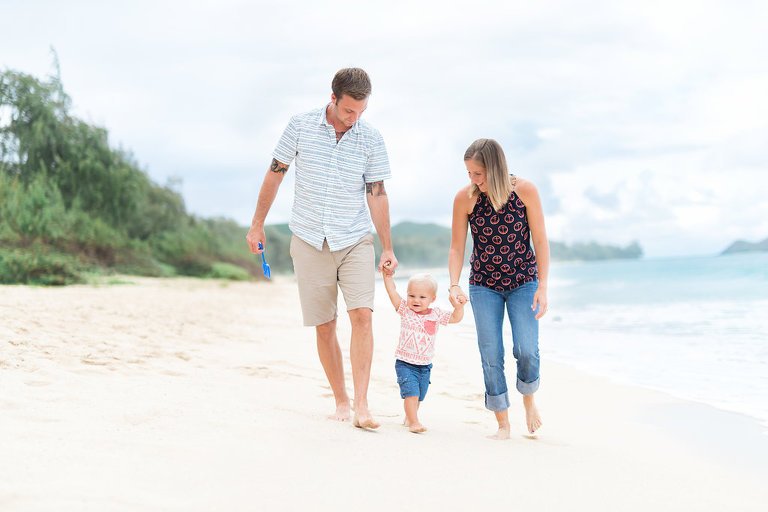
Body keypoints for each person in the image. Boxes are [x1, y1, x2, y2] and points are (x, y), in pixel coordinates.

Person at [246, 68, 397, 430]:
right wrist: (257, 224)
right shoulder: (299, 126)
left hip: (354, 238)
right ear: (333, 99)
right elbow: (275, 173)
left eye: (361, 112)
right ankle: (341, 400)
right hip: (310, 237)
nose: (354, 118)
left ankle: (362, 405)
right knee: (325, 325)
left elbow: (376, 193)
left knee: (362, 315)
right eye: (349, 111)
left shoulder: (371, 138)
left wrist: (387, 246)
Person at [448, 138, 550, 439]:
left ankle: (529, 400)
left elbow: (541, 240)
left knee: (527, 350)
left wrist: (543, 286)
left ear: (496, 168)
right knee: (491, 353)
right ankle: (503, 423)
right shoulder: (465, 199)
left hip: (523, 280)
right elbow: (456, 248)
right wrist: (453, 283)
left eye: (478, 174)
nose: (473, 180)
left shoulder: (525, 191)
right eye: (469, 174)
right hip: (483, 285)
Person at [382, 270, 464, 433]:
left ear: (432, 298)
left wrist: (458, 306)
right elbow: (392, 293)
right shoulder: (405, 310)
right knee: (411, 393)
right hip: (405, 363)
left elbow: (456, 318)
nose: (415, 300)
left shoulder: (436, 314)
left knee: (419, 395)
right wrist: (387, 277)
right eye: (411, 295)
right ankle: (414, 422)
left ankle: (410, 416)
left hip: (425, 365)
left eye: (422, 297)